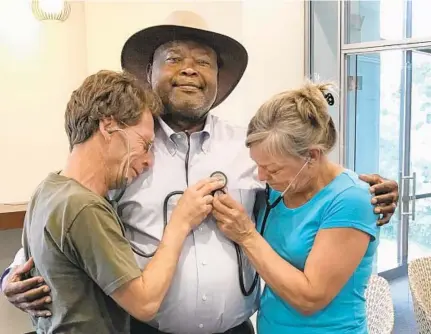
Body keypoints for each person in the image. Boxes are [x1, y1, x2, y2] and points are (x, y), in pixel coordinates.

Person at [2, 11, 399, 334]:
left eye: (204, 62)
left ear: (218, 80)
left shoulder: (247, 148)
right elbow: (68, 215)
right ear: (149, 74)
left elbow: (308, 179)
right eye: (174, 58)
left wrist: (371, 190)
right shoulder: (124, 150)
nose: (190, 69)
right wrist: (11, 276)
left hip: (238, 329)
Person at [18, 70, 224, 333]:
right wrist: (181, 222)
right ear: (108, 126)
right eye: (145, 144)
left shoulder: (48, 189)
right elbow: (146, 303)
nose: (149, 161)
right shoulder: (84, 208)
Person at [213, 81, 380, 333]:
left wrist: (246, 235)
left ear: (311, 156)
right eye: (257, 164)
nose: (260, 176)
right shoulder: (279, 188)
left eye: (272, 168)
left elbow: (310, 298)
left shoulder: (349, 199)